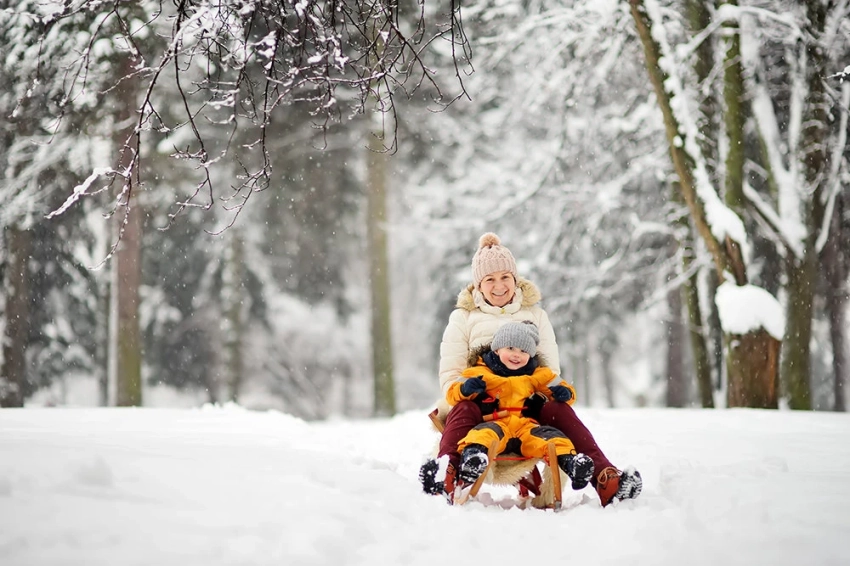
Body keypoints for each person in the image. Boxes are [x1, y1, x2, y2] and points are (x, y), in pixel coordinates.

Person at [419, 232, 642, 506]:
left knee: (559, 410)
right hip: (481, 404)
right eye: (489, 279)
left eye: (505, 277)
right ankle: (446, 472)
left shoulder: (536, 314)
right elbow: (450, 375)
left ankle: (605, 478)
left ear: (515, 279)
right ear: (478, 285)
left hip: (527, 405)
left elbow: (550, 369)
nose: (499, 286)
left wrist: (548, 393)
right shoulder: (463, 318)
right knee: (462, 409)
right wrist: (467, 389)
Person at [443, 321, 595, 494]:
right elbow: (452, 394)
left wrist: (565, 393)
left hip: (526, 427)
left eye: (524, 351)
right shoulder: (479, 372)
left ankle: (572, 465)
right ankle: (472, 462)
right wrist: (465, 389)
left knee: (553, 439)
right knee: (481, 435)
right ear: (497, 349)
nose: (517, 355)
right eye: (510, 348)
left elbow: (565, 389)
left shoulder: (539, 374)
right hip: (496, 423)